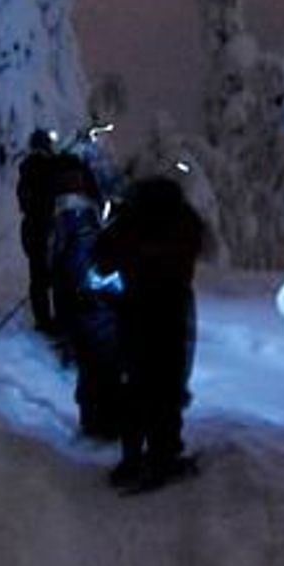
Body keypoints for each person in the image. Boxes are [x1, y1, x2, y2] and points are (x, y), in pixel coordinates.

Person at [93, 174, 205, 487]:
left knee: (136, 381)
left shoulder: (128, 221)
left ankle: (132, 458)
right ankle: (163, 454)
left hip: (135, 308)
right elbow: (194, 247)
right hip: (173, 308)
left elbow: (101, 259)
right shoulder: (184, 219)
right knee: (168, 382)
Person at [48, 148, 123, 439]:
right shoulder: (82, 213)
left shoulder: (68, 212)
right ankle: (101, 422)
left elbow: (61, 251)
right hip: (90, 289)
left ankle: (97, 419)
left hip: (80, 287)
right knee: (99, 361)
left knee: (92, 358)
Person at [16, 129, 60, 335]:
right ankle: (48, 320)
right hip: (43, 227)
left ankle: (45, 319)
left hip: (38, 227)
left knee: (42, 276)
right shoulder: (45, 167)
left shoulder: (32, 169)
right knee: (49, 275)